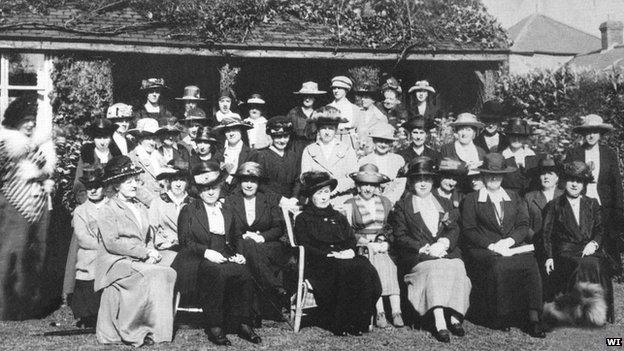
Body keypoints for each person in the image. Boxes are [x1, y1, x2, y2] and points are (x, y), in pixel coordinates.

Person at [172, 161, 259, 346]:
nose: (210, 192)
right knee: (217, 272)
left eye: (214, 188)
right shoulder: (189, 209)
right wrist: (206, 252)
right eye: (205, 189)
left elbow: (237, 236)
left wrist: (239, 254)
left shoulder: (227, 209)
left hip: (224, 253)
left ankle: (243, 323)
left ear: (220, 187)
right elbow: (185, 241)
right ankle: (215, 326)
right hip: (196, 257)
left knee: (244, 272)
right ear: (198, 191)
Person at [94, 155, 176, 347]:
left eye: (135, 181)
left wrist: (151, 247)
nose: (134, 186)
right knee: (160, 273)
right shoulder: (108, 209)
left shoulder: (140, 206)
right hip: (115, 262)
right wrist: (144, 253)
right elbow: (112, 243)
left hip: (137, 257)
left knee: (175, 263)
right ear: (116, 185)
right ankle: (137, 330)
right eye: (128, 182)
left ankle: (160, 330)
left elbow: (148, 236)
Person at [461, 153, 545, 337]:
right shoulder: (471, 199)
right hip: (483, 248)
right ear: (482, 175)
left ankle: (533, 317)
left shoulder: (514, 197)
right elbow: (469, 230)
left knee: (529, 263)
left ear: (503, 176)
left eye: (497, 174)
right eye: (489, 174)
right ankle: (502, 315)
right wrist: (492, 245)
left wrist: (510, 241)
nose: (493, 178)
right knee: (499, 264)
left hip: (512, 245)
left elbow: (523, 224)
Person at [390, 157, 471, 343]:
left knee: (457, 266)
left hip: (444, 252)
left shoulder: (444, 202)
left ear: (432, 181)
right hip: (418, 256)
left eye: (426, 179)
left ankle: (455, 316)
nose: (423, 184)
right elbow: (400, 236)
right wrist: (422, 247)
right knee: (435, 270)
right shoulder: (403, 206)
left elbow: (454, 228)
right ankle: (440, 320)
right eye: (418, 180)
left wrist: (444, 243)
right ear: (411, 182)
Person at [295, 171, 381, 336]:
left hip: (344, 257)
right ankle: (341, 322)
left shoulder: (338, 216)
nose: (323, 197)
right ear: (311, 196)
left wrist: (349, 250)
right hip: (320, 263)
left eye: (326, 192)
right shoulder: (303, 218)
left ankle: (359, 321)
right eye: (319, 193)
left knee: (365, 267)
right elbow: (304, 245)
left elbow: (350, 238)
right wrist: (329, 254)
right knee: (343, 270)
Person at [0, 97, 56, 320]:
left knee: (36, 254)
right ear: (15, 122)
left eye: (33, 120)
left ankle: (29, 304)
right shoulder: (7, 143)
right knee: (12, 253)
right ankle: (6, 306)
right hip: (13, 203)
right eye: (25, 120)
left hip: (39, 203)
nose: (30, 124)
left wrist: (43, 175)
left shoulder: (40, 145)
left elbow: (47, 169)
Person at [541, 161, 614, 326]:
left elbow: (601, 229)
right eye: (571, 180)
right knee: (579, 264)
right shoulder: (554, 205)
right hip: (565, 251)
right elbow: (546, 234)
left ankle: (597, 312)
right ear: (564, 182)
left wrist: (594, 243)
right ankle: (577, 312)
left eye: (579, 181)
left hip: (588, 249)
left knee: (597, 263)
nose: (574, 184)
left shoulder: (592, 204)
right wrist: (548, 257)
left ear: (584, 184)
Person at [224, 162, 289, 319]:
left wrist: (261, 237)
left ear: (259, 183)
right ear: (239, 182)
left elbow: (278, 228)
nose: (249, 185)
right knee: (248, 245)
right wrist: (245, 237)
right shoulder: (231, 200)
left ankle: (255, 311)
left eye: (253, 181)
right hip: (241, 244)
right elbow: (231, 229)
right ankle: (274, 287)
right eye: (245, 180)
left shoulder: (268, 200)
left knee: (251, 247)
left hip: (268, 246)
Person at [343, 164, 403, 329]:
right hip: (363, 246)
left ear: (377, 186)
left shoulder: (385, 202)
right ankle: (380, 311)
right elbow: (348, 231)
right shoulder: (350, 203)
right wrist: (366, 242)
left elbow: (391, 226)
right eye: (364, 184)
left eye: (372, 184)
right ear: (357, 185)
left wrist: (386, 241)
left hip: (383, 244)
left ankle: (396, 311)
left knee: (389, 262)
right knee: (375, 263)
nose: (368, 188)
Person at [565, 114, 624, 276]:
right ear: (583, 134)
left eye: (595, 132)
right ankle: (584, 267)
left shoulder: (609, 154)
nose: (591, 135)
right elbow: (568, 180)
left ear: (600, 134)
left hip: (603, 201)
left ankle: (610, 269)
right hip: (581, 200)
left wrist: (619, 208)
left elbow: (616, 183)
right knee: (584, 232)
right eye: (588, 132)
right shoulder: (574, 153)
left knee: (605, 232)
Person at [69, 168, 106, 328]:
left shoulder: (113, 206)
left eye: (97, 186)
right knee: (87, 269)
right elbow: (83, 238)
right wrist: (104, 247)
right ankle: (89, 315)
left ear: (103, 186)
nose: (93, 190)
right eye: (89, 187)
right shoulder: (80, 211)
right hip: (91, 254)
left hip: (114, 253)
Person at [300, 106, 358, 206]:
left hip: (342, 199)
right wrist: (321, 192)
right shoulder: (309, 150)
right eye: (323, 128)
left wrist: (332, 189)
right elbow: (305, 177)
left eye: (331, 128)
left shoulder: (347, 149)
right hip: (316, 200)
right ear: (318, 129)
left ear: (336, 130)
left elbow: (353, 177)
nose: (327, 132)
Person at [148, 162, 191, 267]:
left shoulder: (193, 203)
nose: (178, 184)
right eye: (175, 180)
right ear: (168, 182)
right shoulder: (158, 202)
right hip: (166, 249)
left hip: (190, 250)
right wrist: (151, 251)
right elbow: (151, 230)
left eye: (182, 180)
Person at [74, 118, 120, 204]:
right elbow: (79, 184)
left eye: (106, 138)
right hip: (91, 202)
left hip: (114, 202)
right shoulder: (86, 156)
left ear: (110, 138)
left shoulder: (116, 157)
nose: (102, 142)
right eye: (98, 138)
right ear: (93, 138)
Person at [257, 115, 302, 204]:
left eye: (285, 136)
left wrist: (294, 197)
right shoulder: (262, 156)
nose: (282, 140)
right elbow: (261, 184)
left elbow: (298, 180)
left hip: (291, 203)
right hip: (269, 203)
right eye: (278, 137)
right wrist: (279, 199)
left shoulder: (294, 156)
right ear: (271, 136)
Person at [358, 123, 406, 204]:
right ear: (374, 141)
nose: (383, 145)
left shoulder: (398, 160)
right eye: (380, 141)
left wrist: (391, 201)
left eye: (387, 142)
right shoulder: (364, 161)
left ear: (391, 143)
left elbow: (401, 184)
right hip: (370, 201)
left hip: (394, 201)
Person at [213, 116, 258, 195]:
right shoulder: (219, 154)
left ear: (241, 130)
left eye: (234, 129)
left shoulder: (252, 154)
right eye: (227, 131)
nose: (231, 134)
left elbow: (252, 180)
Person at [524, 156, 563, 245]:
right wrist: (536, 240)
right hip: (536, 244)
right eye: (543, 174)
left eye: (550, 174)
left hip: (561, 245)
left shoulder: (565, 196)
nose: (546, 177)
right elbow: (524, 224)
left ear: (557, 178)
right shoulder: (529, 197)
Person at [127, 118, 163, 206]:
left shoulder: (159, 156)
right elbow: (135, 186)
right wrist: (154, 203)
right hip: (145, 205)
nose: (152, 142)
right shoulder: (132, 158)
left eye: (154, 138)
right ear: (140, 139)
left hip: (163, 203)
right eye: (148, 138)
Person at [501, 118, 539, 195]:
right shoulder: (501, 157)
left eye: (520, 136)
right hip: (509, 200)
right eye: (513, 136)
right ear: (508, 136)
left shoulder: (534, 157)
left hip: (531, 201)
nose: (516, 139)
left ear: (525, 138)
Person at [287, 81, 324, 147]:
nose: (307, 99)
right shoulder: (294, 113)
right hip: (296, 148)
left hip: (314, 146)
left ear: (315, 98)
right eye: (305, 96)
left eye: (311, 96)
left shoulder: (319, 113)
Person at [353, 83, 388, 153]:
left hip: (374, 153)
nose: (362, 99)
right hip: (358, 152)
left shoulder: (381, 118)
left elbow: (383, 140)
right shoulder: (358, 113)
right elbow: (353, 132)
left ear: (373, 99)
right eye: (362, 97)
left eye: (366, 97)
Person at [328, 75, 360, 150]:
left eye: (339, 88)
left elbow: (360, 130)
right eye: (334, 88)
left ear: (346, 90)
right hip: (332, 141)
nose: (336, 91)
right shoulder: (328, 108)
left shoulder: (355, 109)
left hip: (350, 142)